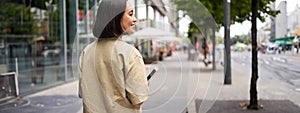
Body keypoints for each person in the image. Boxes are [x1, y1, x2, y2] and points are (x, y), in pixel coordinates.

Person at [78, 0, 149, 113]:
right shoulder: (130, 54)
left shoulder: (87, 52)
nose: (135, 19)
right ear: (116, 17)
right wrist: (144, 84)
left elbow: (83, 92)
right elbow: (138, 100)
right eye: (130, 14)